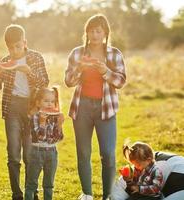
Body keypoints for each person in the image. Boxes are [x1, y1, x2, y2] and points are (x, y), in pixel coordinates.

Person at [64, 14, 126, 200]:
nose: (94, 34)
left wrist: (105, 71)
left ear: (105, 32)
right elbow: (68, 81)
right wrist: (79, 70)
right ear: (87, 32)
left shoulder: (114, 54)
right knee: (83, 152)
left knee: (107, 153)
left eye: (98, 30)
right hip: (81, 106)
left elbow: (121, 80)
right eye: (91, 30)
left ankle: (107, 195)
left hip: (105, 108)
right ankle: (87, 194)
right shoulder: (77, 53)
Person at [0, 24, 49, 200]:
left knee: (30, 155)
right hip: (12, 108)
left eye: (18, 46)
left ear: (25, 42)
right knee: (14, 154)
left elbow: (44, 83)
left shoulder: (36, 58)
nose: (14, 51)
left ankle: (32, 192)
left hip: (32, 109)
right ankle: (17, 194)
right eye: (10, 47)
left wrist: (29, 72)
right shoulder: (5, 60)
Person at [25, 87, 64, 200]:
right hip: (36, 152)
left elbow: (58, 138)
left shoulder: (54, 117)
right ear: (38, 102)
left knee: (49, 185)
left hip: (52, 152)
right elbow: (39, 138)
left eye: (52, 101)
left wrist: (60, 125)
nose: (50, 104)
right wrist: (42, 123)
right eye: (46, 101)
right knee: (31, 184)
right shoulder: (35, 117)